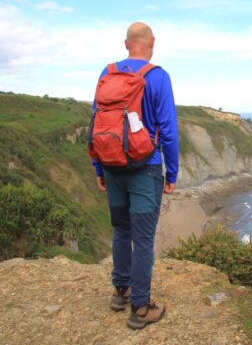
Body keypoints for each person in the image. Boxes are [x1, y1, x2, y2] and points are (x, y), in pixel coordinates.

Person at [91, 21, 179, 330]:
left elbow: (96, 123)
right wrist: (172, 173)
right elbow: (168, 129)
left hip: (112, 166)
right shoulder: (157, 76)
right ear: (152, 42)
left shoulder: (107, 73)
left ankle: (121, 292)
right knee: (143, 240)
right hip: (145, 169)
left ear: (126, 43)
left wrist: (99, 168)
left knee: (121, 232)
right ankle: (141, 308)